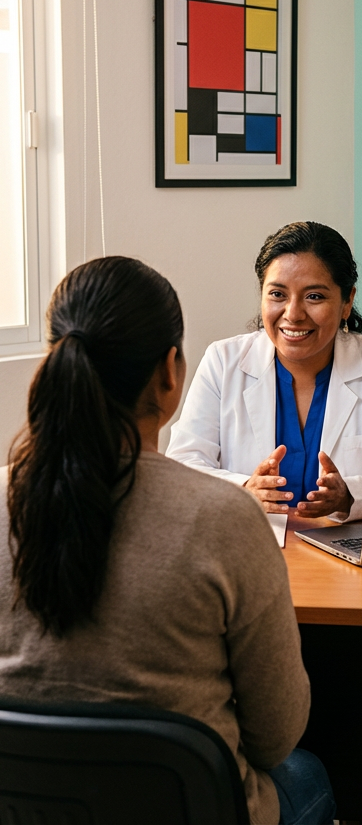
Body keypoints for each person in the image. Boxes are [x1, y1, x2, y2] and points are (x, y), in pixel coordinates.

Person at [0, 257, 335, 825]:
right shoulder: (226, 520)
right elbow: (275, 736)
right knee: (308, 774)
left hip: (29, 807)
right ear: (170, 372)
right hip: (188, 808)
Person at [168, 222, 362, 522]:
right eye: (277, 294)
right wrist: (244, 490)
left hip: (346, 544)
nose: (293, 314)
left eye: (314, 296)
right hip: (251, 538)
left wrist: (350, 495)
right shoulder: (223, 361)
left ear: (347, 302)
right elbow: (183, 466)